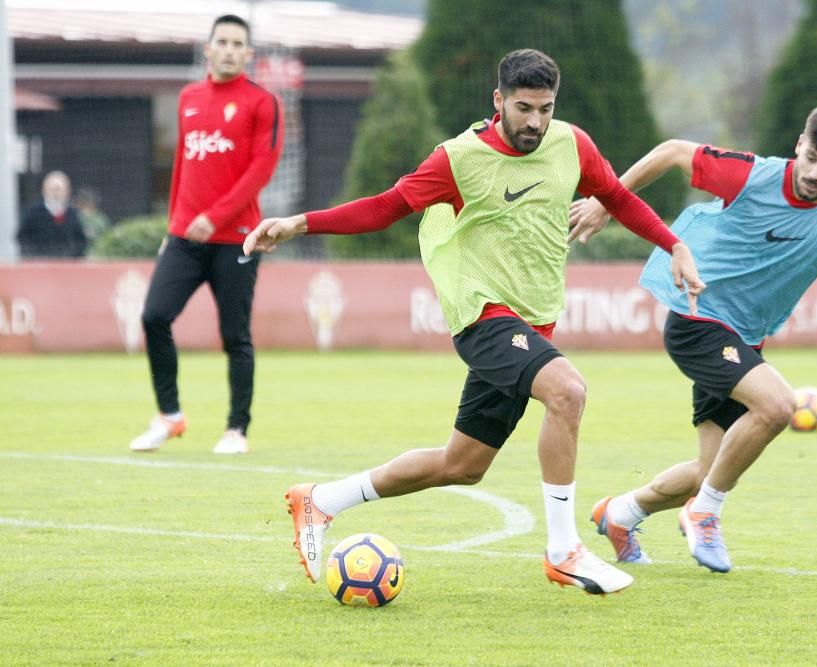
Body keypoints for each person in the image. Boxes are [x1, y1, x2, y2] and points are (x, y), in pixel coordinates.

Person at [243, 49, 703, 594]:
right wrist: (298, 224)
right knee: (568, 392)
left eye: (546, 108)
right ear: (499, 100)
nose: (535, 121)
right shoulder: (458, 159)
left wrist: (673, 244)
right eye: (524, 107)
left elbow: (618, 198)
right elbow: (385, 207)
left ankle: (322, 500)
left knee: (462, 464)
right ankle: (564, 551)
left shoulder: (571, 144)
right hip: (481, 314)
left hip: (532, 322)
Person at [571, 101, 817, 573]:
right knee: (778, 406)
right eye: (811, 157)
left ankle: (620, 513)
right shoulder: (752, 175)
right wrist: (608, 199)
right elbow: (671, 151)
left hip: (745, 337)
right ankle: (705, 513)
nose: (815, 172)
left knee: (711, 470)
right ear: (799, 146)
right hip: (697, 318)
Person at [129, 14, 283, 455]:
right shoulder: (189, 97)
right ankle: (170, 416)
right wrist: (172, 227)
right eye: (223, 42)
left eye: (239, 43)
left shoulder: (261, 102)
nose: (231, 49)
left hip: (236, 237)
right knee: (154, 316)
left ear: (248, 53)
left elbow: (261, 169)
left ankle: (237, 430)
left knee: (235, 336)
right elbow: (183, 163)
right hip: (185, 238)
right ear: (209, 49)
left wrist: (214, 217)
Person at [16, 170, 88, 258]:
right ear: (44, 190)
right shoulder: (34, 212)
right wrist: (34, 254)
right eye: (52, 189)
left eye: (59, 189)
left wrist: (73, 256)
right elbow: (22, 237)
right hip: (40, 263)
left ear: (67, 191)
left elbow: (81, 240)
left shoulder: (73, 214)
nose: (56, 193)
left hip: (67, 264)